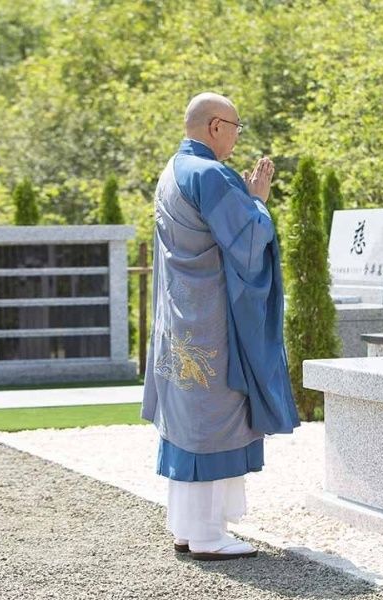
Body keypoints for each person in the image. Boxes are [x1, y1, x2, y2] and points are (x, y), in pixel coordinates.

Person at [141, 92, 299, 561]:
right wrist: (258, 202)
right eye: (235, 126)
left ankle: (190, 529)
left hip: (180, 320)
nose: (236, 135)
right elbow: (250, 241)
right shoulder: (211, 174)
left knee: (190, 424)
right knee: (217, 421)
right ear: (214, 127)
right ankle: (209, 536)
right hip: (212, 325)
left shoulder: (172, 172)